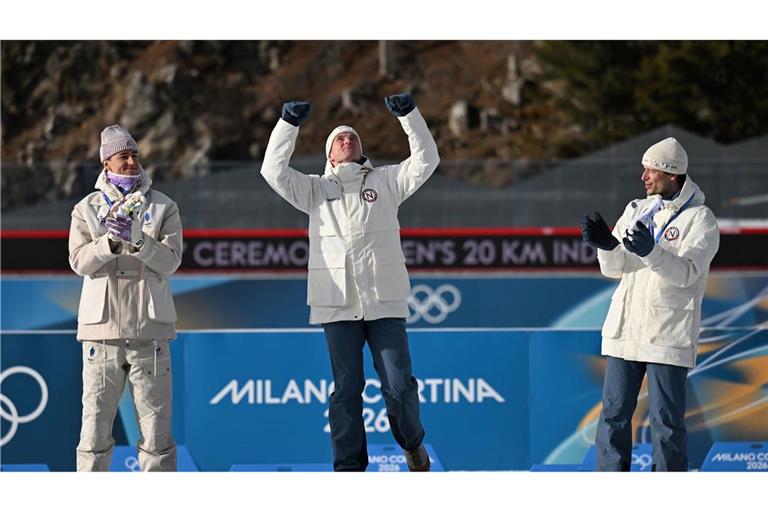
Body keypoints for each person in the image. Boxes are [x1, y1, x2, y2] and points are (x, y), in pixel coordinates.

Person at [260, 93, 439, 471]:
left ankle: (412, 444)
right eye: (339, 139)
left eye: (352, 137)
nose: (347, 140)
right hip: (336, 305)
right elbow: (273, 171)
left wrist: (409, 116)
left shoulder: (387, 181)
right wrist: (287, 125)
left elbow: (427, 159)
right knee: (346, 391)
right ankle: (348, 468)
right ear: (329, 156)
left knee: (399, 385)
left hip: (384, 302)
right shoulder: (313, 190)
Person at [581, 137, 720, 471]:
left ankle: (666, 498)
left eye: (651, 170)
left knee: (666, 423)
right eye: (643, 169)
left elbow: (686, 273)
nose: (644, 176)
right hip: (626, 330)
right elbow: (616, 269)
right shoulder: (636, 209)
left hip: (666, 334)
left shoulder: (700, 220)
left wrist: (650, 251)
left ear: (672, 174)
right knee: (613, 416)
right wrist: (606, 246)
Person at [68, 124, 183, 471]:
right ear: (106, 163)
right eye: (123, 156)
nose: (131, 161)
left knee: (157, 435)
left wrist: (137, 241)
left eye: (134, 155)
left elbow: (171, 260)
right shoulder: (85, 208)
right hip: (101, 333)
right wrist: (109, 243)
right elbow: (79, 261)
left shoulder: (164, 206)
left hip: (150, 331)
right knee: (94, 436)